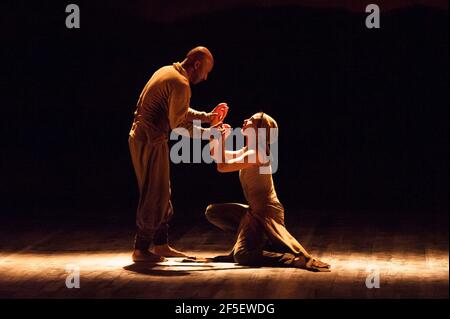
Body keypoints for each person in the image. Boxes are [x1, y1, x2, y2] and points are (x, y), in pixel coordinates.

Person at [129, 46, 228, 262]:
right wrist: (210, 133)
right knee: (154, 194)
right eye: (206, 71)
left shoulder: (166, 71)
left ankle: (161, 244)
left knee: (162, 192)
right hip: (150, 140)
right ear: (197, 65)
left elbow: (178, 111)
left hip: (144, 138)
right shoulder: (181, 83)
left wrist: (207, 117)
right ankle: (141, 248)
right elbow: (179, 126)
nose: (206, 78)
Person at [206, 112, 331, 271]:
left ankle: (289, 258)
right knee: (213, 212)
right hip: (254, 211)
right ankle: (260, 240)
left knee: (242, 256)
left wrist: (220, 139)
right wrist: (214, 130)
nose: (246, 120)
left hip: (267, 212)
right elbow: (217, 155)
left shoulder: (257, 153)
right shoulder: (249, 150)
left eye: (252, 120)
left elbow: (222, 166)